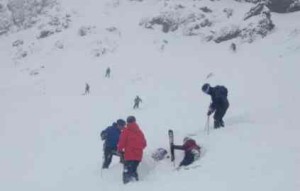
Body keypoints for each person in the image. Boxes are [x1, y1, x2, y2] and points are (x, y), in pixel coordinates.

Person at [117, 116, 147, 184]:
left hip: (129, 155)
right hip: (138, 156)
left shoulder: (126, 131)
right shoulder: (140, 132)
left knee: (127, 171)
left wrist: (119, 149)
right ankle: (136, 184)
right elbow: (144, 144)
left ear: (127, 122)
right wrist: (138, 149)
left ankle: (127, 186)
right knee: (133, 170)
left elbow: (122, 142)